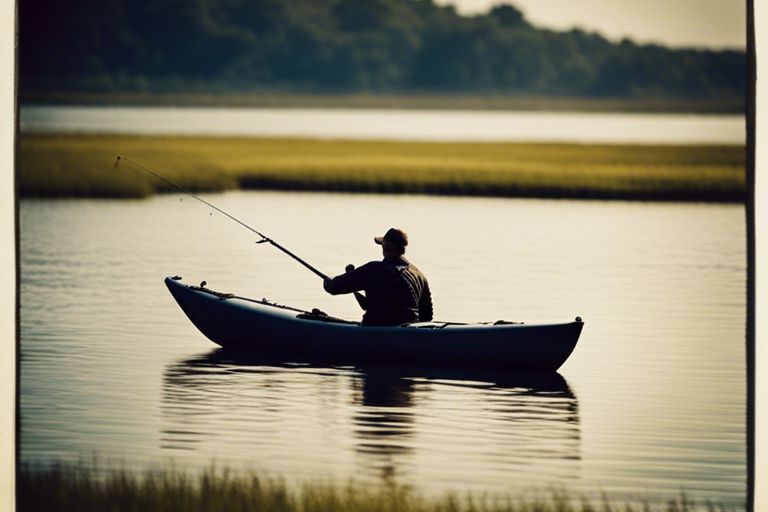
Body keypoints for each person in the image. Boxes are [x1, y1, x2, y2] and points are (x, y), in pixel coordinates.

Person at [323, 228, 433, 326]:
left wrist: (328, 282)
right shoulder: (420, 276)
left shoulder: (374, 269)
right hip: (409, 335)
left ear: (386, 247)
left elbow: (333, 287)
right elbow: (427, 317)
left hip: (376, 332)